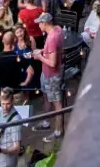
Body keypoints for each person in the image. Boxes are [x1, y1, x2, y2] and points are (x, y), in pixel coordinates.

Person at [34, 14, 66, 143]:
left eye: (40, 23)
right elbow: (54, 51)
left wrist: (39, 57)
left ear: (45, 23)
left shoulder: (52, 37)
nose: (38, 25)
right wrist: (42, 51)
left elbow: (52, 63)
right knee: (47, 97)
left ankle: (59, 131)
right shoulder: (57, 30)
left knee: (57, 103)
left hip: (52, 75)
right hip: (46, 74)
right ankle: (46, 122)